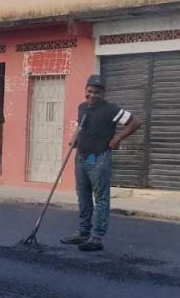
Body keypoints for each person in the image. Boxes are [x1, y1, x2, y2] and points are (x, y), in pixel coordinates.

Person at [61, 75, 142, 252]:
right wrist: (74, 139)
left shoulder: (111, 110)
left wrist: (117, 137)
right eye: (89, 91)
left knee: (101, 199)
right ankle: (83, 232)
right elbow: (80, 126)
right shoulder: (82, 107)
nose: (92, 95)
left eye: (96, 92)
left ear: (103, 93)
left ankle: (96, 238)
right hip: (81, 157)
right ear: (85, 91)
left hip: (99, 158)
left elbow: (135, 122)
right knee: (82, 195)